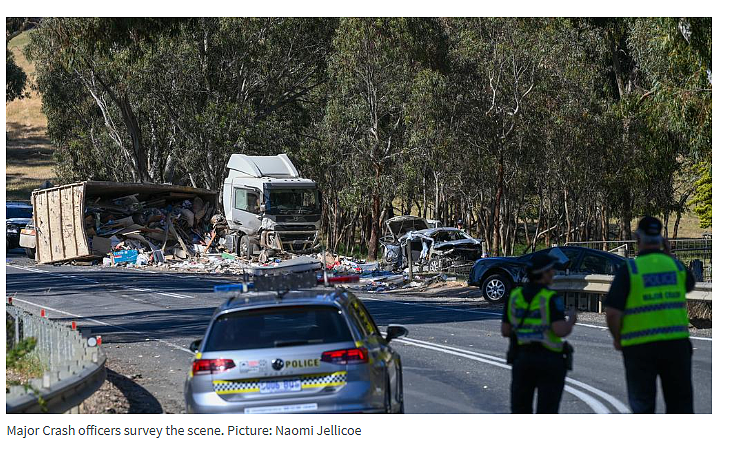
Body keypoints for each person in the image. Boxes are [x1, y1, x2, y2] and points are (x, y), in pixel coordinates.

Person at [604, 216, 696, 414]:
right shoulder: (676, 267)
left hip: (639, 348)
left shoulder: (630, 270)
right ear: (662, 239)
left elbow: (612, 313)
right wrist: (669, 254)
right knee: (680, 406)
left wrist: (618, 339)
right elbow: (690, 285)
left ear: (638, 237)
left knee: (643, 406)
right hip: (676, 346)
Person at [501, 254, 577, 413]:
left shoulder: (514, 297)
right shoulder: (550, 298)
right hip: (549, 360)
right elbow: (559, 330)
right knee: (547, 409)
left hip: (522, 359)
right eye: (551, 270)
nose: (553, 273)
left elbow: (506, 331)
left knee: (521, 409)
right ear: (543, 273)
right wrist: (571, 320)